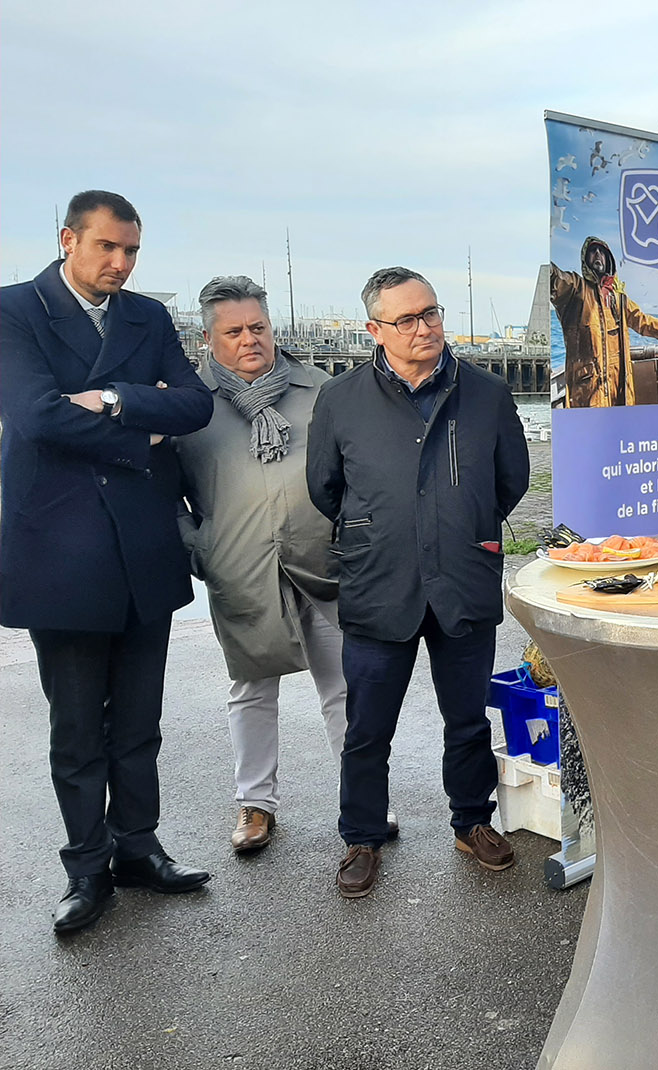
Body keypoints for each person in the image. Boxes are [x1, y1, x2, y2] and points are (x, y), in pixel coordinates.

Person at [0, 190, 216, 934]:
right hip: (58, 553)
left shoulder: (148, 318)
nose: (120, 264)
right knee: (76, 730)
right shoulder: (14, 309)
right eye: (107, 248)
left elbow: (193, 406)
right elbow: (33, 414)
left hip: (141, 547)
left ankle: (138, 849)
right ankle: (86, 869)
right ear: (68, 239)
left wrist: (117, 399)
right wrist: (139, 434)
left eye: (131, 252)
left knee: (137, 720)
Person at [307, 266, 529, 898]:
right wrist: (381, 529)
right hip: (379, 582)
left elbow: (509, 482)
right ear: (375, 329)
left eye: (431, 312)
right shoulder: (341, 399)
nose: (424, 327)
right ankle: (362, 835)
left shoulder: (486, 393)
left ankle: (472, 821)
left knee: (466, 718)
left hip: (463, 576)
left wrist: (463, 524)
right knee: (368, 725)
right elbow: (326, 488)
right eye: (406, 319)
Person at [173, 276, 397, 853]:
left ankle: (363, 803)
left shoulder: (322, 391)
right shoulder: (188, 408)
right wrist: (200, 546)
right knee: (251, 690)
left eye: (258, 328)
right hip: (240, 569)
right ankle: (255, 805)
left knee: (345, 688)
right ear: (208, 337)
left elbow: (361, 475)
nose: (249, 340)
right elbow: (163, 494)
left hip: (323, 564)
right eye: (234, 331)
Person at [550, 236, 658, 407]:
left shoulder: (619, 298)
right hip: (589, 388)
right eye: (593, 251)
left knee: (621, 426)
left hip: (620, 384)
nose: (597, 255)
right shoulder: (575, 290)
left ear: (608, 259)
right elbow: (555, 278)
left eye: (602, 252)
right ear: (585, 259)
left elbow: (640, 320)